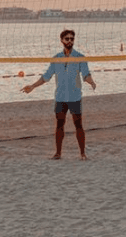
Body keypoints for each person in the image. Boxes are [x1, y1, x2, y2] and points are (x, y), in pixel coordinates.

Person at [21, 29, 97, 160]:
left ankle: (83, 153)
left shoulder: (80, 57)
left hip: (74, 97)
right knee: (59, 125)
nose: (69, 41)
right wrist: (32, 86)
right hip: (61, 97)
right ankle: (58, 153)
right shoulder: (56, 59)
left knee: (78, 125)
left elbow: (86, 74)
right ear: (62, 40)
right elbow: (46, 77)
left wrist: (91, 82)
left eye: (72, 39)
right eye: (67, 39)